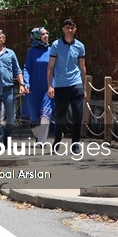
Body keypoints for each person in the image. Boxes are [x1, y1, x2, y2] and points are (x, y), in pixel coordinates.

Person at [47, 18, 87, 153]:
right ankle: (58, 138)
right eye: (67, 28)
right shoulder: (56, 45)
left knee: (78, 114)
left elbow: (82, 67)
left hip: (76, 83)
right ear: (63, 29)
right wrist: (50, 86)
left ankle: (75, 143)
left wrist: (84, 87)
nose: (69, 30)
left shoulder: (80, 46)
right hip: (61, 84)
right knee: (60, 115)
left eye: (72, 28)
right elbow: (50, 66)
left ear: (75, 29)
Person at [22, 26, 55, 144]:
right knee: (34, 115)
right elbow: (26, 68)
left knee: (46, 114)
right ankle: (38, 135)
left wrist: (54, 85)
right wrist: (26, 82)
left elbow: (56, 68)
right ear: (36, 37)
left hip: (49, 86)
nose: (46, 36)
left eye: (47, 33)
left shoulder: (52, 50)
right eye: (43, 34)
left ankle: (41, 141)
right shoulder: (31, 52)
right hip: (33, 87)